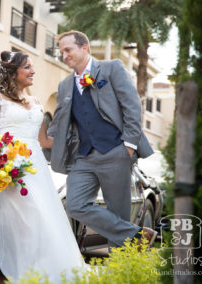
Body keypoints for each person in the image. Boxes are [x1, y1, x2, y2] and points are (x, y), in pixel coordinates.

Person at [0, 51, 88, 283]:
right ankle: (28, 273)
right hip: (8, 170)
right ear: (13, 71)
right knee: (25, 223)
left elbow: (44, 140)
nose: (32, 71)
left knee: (43, 220)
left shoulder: (37, 102)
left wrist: (79, 137)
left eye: (32, 67)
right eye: (27, 67)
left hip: (35, 168)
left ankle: (46, 272)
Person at [47, 30, 157, 249]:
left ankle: (122, 272)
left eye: (68, 50)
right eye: (62, 52)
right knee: (76, 205)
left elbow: (132, 106)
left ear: (84, 47)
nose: (64, 55)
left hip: (116, 151)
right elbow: (60, 121)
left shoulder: (111, 68)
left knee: (119, 212)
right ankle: (137, 235)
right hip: (83, 156)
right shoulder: (65, 85)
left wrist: (129, 144)